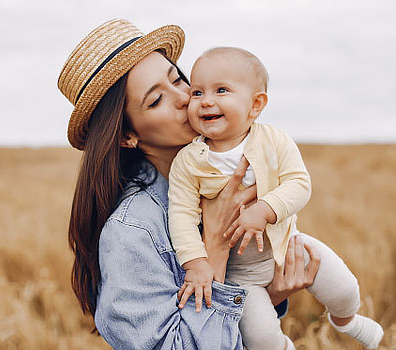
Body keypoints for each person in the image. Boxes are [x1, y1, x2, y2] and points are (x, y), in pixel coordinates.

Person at [58, 19, 321, 349]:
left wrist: (272, 294)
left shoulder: (218, 178)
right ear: (127, 135)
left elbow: (229, 333)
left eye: (178, 79)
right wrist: (214, 244)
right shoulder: (132, 232)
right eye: (156, 100)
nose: (185, 97)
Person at [168, 47, 384, 349]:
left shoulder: (273, 140)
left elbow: (298, 183)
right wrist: (195, 263)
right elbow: (180, 215)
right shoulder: (189, 161)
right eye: (196, 92)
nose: (206, 101)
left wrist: (265, 210)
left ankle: (345, 319)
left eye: (221, 90)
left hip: (288, 243)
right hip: (240, 274)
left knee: (345, 288)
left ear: (255, 105)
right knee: (260, 338)